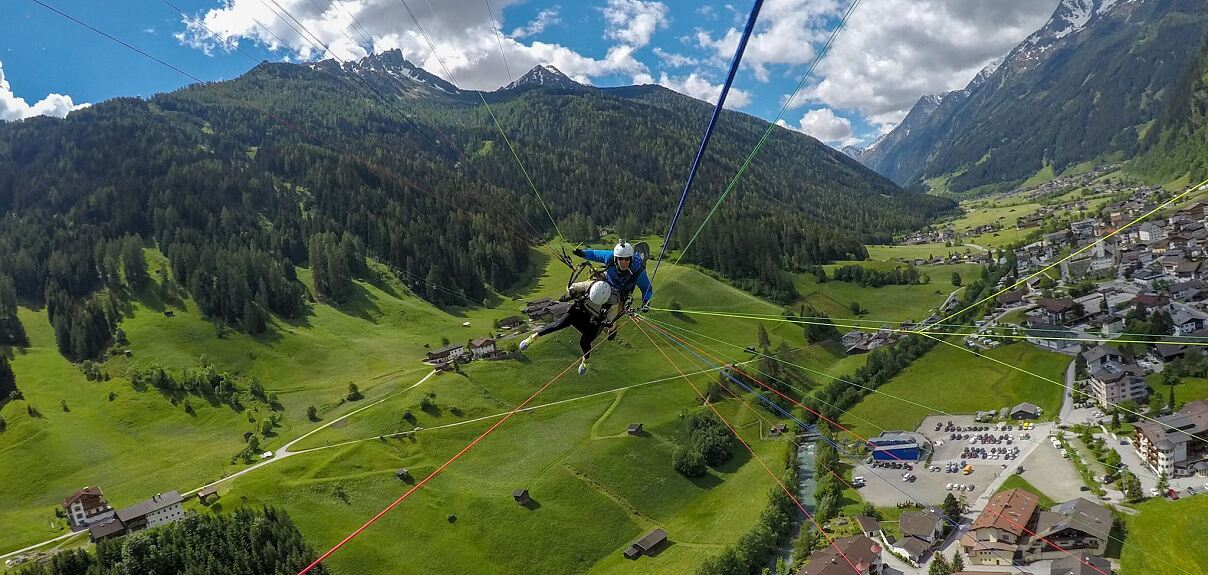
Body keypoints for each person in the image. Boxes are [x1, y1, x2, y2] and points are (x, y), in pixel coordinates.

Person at [519, 280, 616, 375]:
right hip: (579, 311)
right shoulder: (588, 285)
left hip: (592, 322)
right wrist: (570, 294)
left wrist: (611, 330)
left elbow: (612, 322)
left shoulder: (610, 306)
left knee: (584, 342)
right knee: (559, 324)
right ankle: (534, 337)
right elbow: (572, 287)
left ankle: (586, 360)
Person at [573, 241, 653, 313]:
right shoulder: (609, 257)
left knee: (611, 310)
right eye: (620, 259)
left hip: (620, 294)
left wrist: (646, 302)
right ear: (615, 259)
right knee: (578, 287)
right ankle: (569, 294)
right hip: (605, 283)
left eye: (627, 259)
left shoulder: (637, 271)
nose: (623, 262)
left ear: (631, 259)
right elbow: (594, 254)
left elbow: (646, 289)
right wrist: (582, 253)